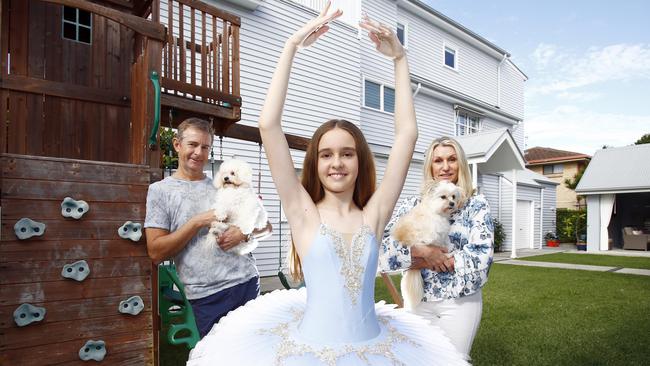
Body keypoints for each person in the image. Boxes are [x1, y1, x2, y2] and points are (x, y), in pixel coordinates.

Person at [187, 3, 467, 365]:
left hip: (375, 349)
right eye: (326, 154)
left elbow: (407, 136)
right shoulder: (303, 212)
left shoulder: (374, 215)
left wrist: (400, 60)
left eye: (347, 153)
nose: (336, 162)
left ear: (359, 161)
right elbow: (269, 126)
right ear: (315, 163)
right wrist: (290, 46)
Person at [144, 117, 271, 338]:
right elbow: (155, 251)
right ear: (177, 144)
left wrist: (243, 233)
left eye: (205, 147)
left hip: (246, 282)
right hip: (207, 295)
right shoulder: (160, 191)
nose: (198, 153)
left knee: (255, 353)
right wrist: (196, 222)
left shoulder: (224, 185)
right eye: (192, 145)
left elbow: (266, 226)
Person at [380, 136, 494, 357]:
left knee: (451, 360)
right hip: (417, 297)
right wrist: (423, 254)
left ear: (461, 163)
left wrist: (430, 260)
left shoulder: (476, 204)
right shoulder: (412, 204)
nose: (445, 167)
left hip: (459, 301)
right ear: (429, 166)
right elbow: (383, 251)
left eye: (452, 159)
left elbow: (481, 259)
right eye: (438, 160)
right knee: (416, 359)